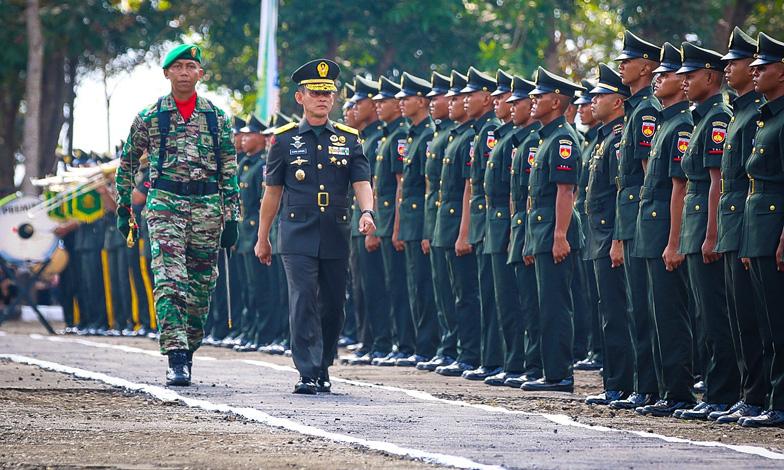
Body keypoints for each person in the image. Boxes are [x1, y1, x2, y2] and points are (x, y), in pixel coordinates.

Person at [115, 43, 240, 386]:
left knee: (201, 286)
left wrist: (232, 217)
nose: (184, 72)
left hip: (207, 208)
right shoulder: (151, 116)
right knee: (170, 281)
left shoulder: (217, 118)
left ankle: (189, 345)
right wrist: (124, 208)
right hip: (165, 204)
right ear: (167, 73)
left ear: (201, 73)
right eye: (178, 67)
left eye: (191, 66)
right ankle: (176, 356)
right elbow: (127, 163)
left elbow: (229, 171)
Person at [254, 58, 375, 394]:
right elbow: (272, 193)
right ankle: (307, 370)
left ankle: (323, 364)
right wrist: (263, 238)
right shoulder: (282, 140)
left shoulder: (350, 139)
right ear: (301, 98)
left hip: (335, 230)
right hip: (296, 232)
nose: (323, 98)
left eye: (328, 93)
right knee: (304, 297)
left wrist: (367, 213)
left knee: (334, 302)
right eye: (315, 92)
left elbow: (362, 182)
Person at [675, 41, 739, 420]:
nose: (684, 82)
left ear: (710, 77)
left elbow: (717, 180)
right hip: (697, 223)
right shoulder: (702, 118)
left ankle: (722, 392)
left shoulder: (717, 118)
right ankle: (718, 390)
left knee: (716, 316)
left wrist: (711, 232)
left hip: (708, 223)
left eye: (690, 75)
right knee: (706, 315)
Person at [629, 42, 694, 415]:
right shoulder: (668, 122)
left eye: (666, 75)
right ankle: (658, 389)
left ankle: (679, 391)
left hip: (665, 232)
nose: (659, 80)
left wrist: (674, 242)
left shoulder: (681, 124)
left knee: (670, 314)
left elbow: (678, 189)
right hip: (650, 229)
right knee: (653, 313)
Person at [711, 27, 768, 424]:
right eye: (727, 64)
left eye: (737, 63)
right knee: (738, 318)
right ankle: (749, 395)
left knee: (758, 317)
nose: (729, 69)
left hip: (754, 224)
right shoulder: (739, 115)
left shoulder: (757, 117)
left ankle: (763, 395)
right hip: (736, 223)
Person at [520, 67, 584, 393]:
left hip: (556, 232)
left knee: (557, 306)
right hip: (543, 232)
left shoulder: (562, 139)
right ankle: (551, 371)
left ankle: (560, 375)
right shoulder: (547, 137)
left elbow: (565, 191)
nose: (533, 100)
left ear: (557, 102)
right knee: (546, 305)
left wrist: (560, 235)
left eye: (539, 96)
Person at [610, 30, 662, 409]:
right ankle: (644, 387)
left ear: (646, 67)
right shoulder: (634, 110)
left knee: (646, 307)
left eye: (627, 61)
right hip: (631, 219)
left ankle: (652, 387)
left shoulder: (646, 111)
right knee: (636, 308)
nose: (622, 66)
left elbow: (647, 174)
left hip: (643, 218)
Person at [582, 64, 635, 405]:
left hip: (609, 236)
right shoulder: (603, 138)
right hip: (597, 236)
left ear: (617, 102)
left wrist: (617, 238)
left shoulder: (619, 138)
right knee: (606, 312)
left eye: (600, 95)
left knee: (618, 312)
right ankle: (612, 381)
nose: (593, 100)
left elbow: (622, 191)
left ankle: (623, 383)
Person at [739, 32, 784, 427]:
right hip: (757, 229)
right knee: (764, 321)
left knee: (778, 320)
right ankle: (769, 398)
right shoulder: (765, 119)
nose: (755, 73)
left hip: (774, 228)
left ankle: (780, 400)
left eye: (763, 67)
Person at [434, 70, 482, 377]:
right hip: (446, 221)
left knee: (466, 293)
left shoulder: (478, 136)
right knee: (449, 291)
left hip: (461, 222)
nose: (457, 102)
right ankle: (451, 348)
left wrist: (464, 231)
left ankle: (468, 352)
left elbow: (469, 187)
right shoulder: (456, 135)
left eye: (464, 96)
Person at [482, 69, 526, 386]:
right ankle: (500, 360)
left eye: (503, 98)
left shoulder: (520, 139)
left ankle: (514, 362)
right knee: (497, 298)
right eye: (496, 97)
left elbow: (514, 190)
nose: (498, 102)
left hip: (510, 221)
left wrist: (513, 225)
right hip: (496, 221)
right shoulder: (504, 136)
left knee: (512, 299)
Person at [460, 67, 504, 381]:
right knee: (483, 292)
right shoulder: (480, 131)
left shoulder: (491, 132)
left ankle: (493, 359)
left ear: (485, 98)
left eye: (470, 95)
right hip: (482, 223)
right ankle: (487, 359)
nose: (462, 101)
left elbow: (490, 186)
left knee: (491, 294)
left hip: (493, 223)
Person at [345, 76, 392, 366]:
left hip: (373, 223)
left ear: (371, 106)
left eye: (355, 104)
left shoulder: (381, 139)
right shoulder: (364, 140)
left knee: (375, 286)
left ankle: (381, 342)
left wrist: (374, 225)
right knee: (359, 287)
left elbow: (381, 188)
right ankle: (367, 341)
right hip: (357, 223)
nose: (349, 111)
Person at [393, 72, 440, 366]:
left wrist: (425, 229)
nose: (401, 104)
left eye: (406, 98)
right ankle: (415, 345)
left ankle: (426, 346)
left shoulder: (427, 136)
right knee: (413, 286)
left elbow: (427, 186)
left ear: (421, 101)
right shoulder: (413, 135)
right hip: (410, 221)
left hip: (423, 221)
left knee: (424, 286)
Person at [371, 75, 415, 366]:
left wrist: (396, 225)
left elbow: (401, 184)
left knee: (399, 286)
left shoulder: (400, 137)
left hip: (395, 221)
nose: (380, 106)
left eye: (383, 101)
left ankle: (405, 343)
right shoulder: (389, 136)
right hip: (385, 221)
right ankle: (391, 343)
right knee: (387, 285)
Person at [417, 71, 459, 371]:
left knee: (458, 291)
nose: (434, 103)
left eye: (440, 97)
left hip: (457, 222)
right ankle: (447, 346)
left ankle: (457, 349)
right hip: (439, 221)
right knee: (442, 289)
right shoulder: (441, 136)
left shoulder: (458, 137)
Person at [504, 75, 543, 388]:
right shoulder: (520, 140)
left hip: (537, 230)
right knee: (519, 301)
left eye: (517, 102)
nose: (508, 106)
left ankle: (537, 366)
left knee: (533, 303)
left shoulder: (535, 142)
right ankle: (522, 363)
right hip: (521, 229)